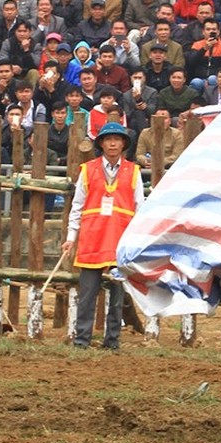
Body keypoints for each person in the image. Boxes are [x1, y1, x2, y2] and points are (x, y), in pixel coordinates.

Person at [61, 122, 145, 351]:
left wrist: (137, 242)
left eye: (117, 139)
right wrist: (71, 237)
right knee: (87, 295)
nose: (113, 143)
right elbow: (77, 207)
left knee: (117, 297)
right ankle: (81, 341)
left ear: (123, 144)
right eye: (108, 139)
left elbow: (140, 208)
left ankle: (112, 341)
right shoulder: (87, 169)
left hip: (120, 243)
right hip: (92, 240)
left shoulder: (133, 171)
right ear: (101, 143)